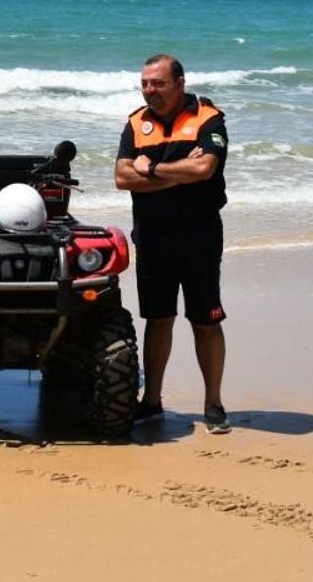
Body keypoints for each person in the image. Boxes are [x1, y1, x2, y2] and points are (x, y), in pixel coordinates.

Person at [114, 54, 232, 433]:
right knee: (157, 320)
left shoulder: (208, 118)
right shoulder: (136, 122)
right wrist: (174, 175)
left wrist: (149, 168)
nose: (150, 90)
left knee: (205, 322)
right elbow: (121, 177)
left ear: (179, 83)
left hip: (199, 237)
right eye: (145, 83)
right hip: (152, 236)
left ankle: (213, 404)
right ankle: (151, 403)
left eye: (158, 83)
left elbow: (204, 168)